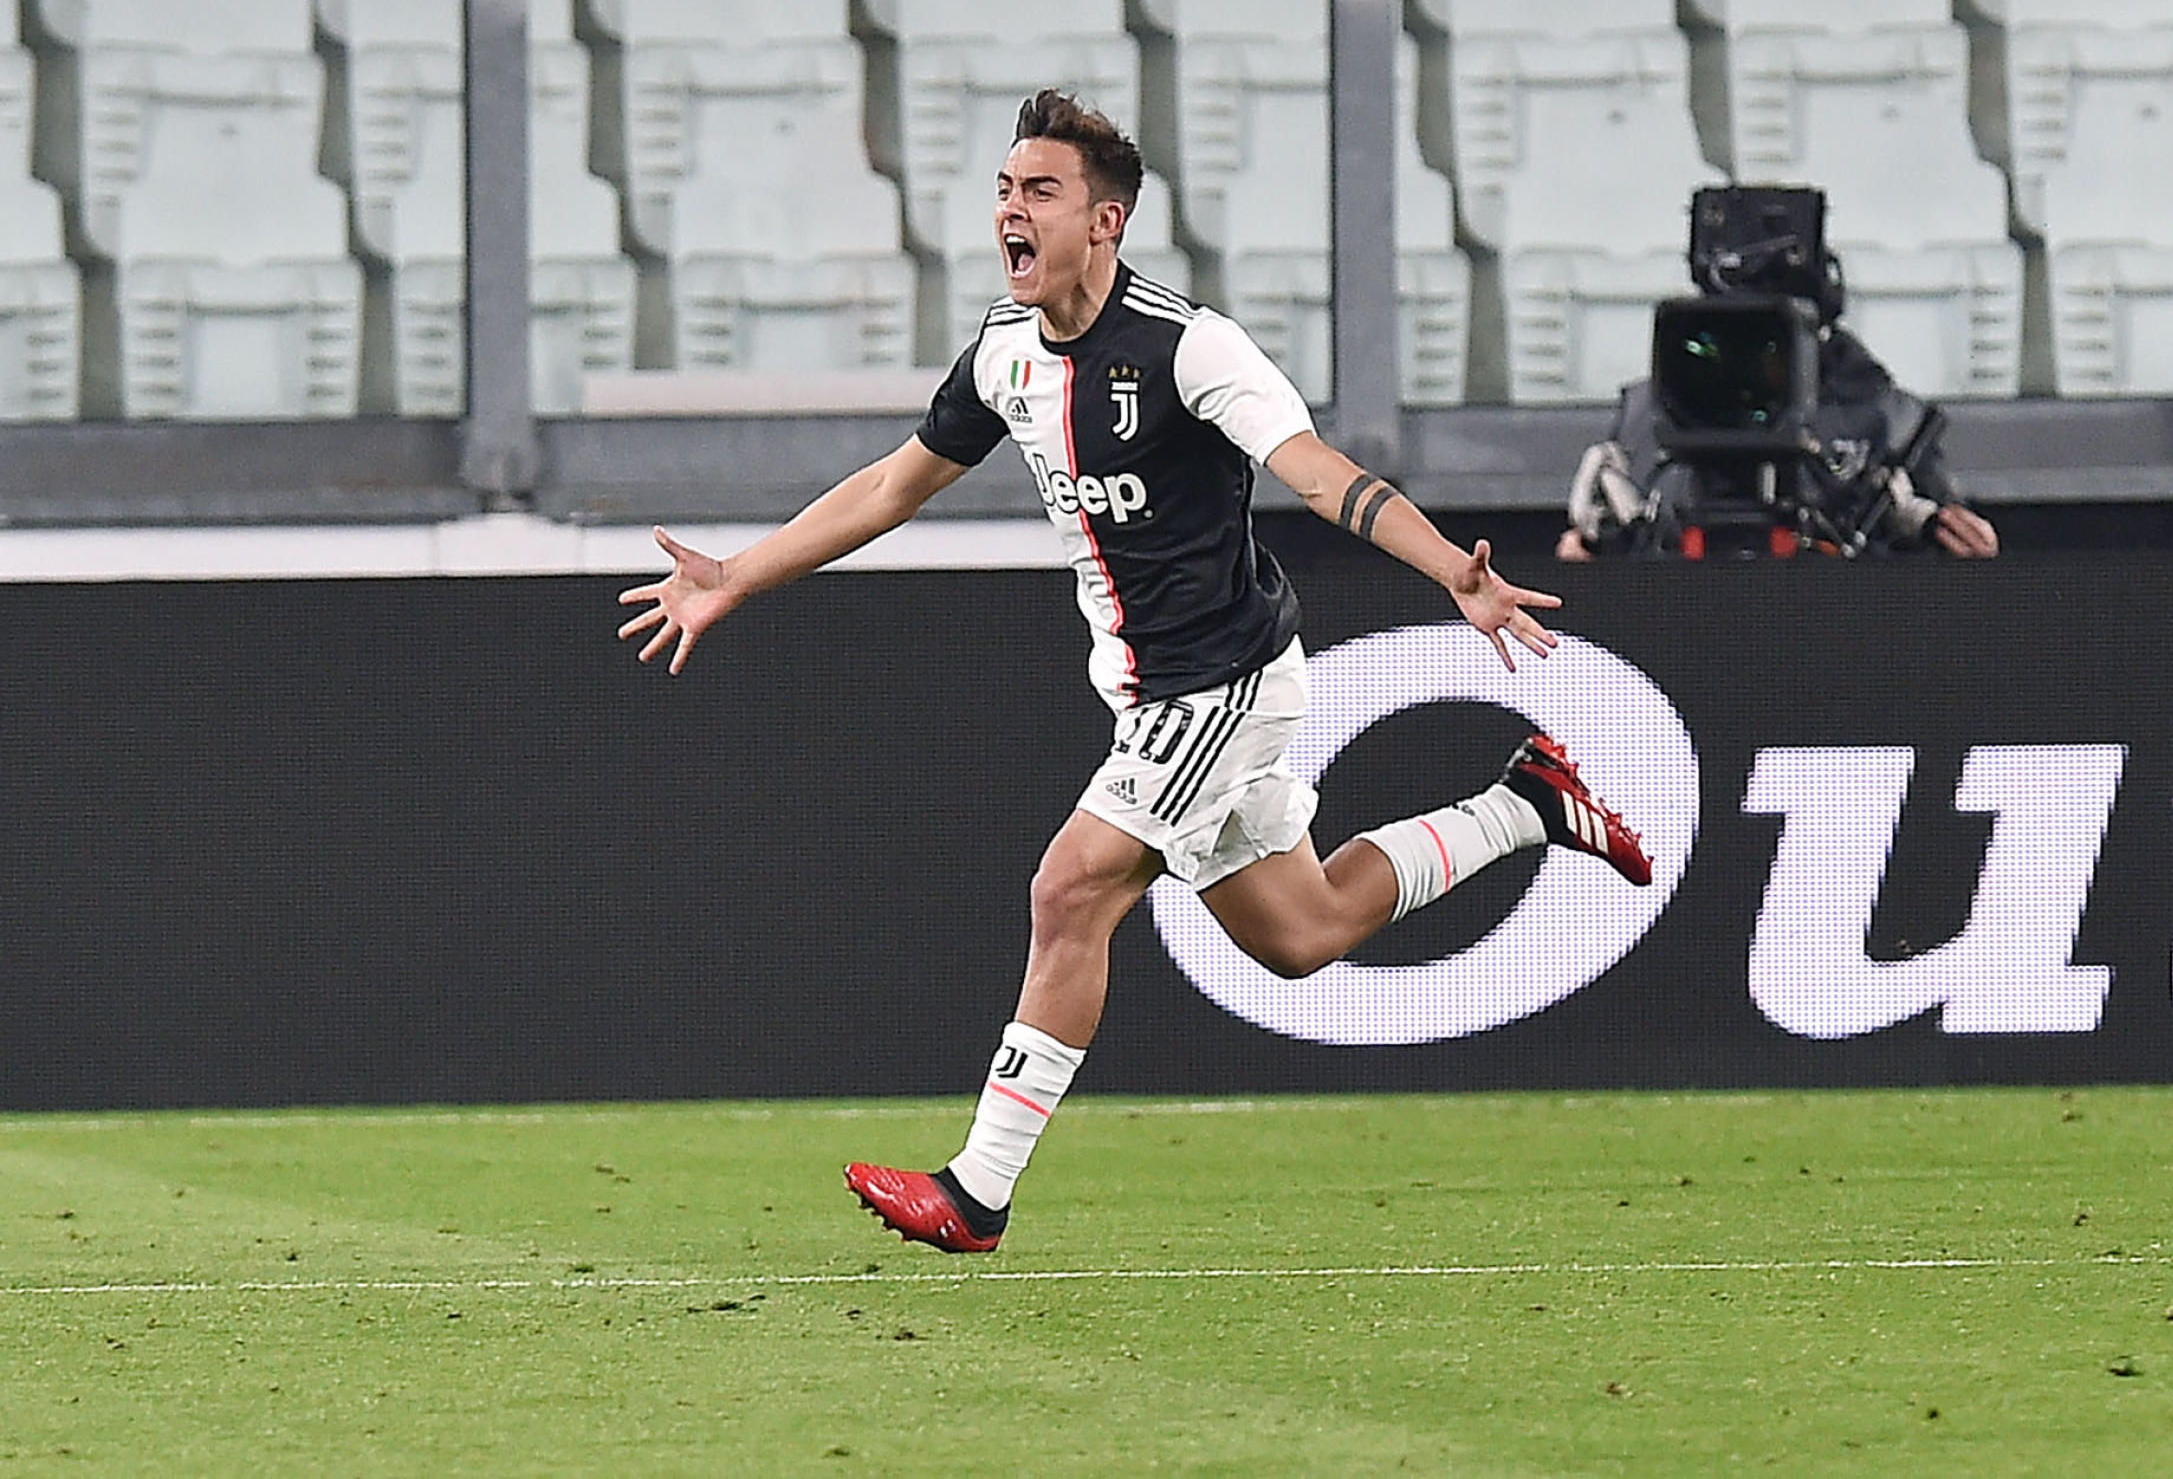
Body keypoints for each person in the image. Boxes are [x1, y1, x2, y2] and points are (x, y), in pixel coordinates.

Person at [616, 90, 1653, 1254]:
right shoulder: (1005, 356)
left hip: (1223, 681)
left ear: (1105, 221)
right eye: (1005, 189)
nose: (1012, 210)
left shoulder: (1186, 346)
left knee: (1070, 889)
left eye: (1040, 191)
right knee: (1300, 934)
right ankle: (1525, 804)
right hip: (1153, 691)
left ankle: (977, 1189)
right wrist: (738, 575)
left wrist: (1448, 574)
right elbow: (891, 486)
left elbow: (1315, 471)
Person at [1555, 319, 2001, 561]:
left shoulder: (1882, 416)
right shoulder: (1647, 416)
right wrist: (1584, 576)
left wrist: (1965, 567)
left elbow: (1949, 540)